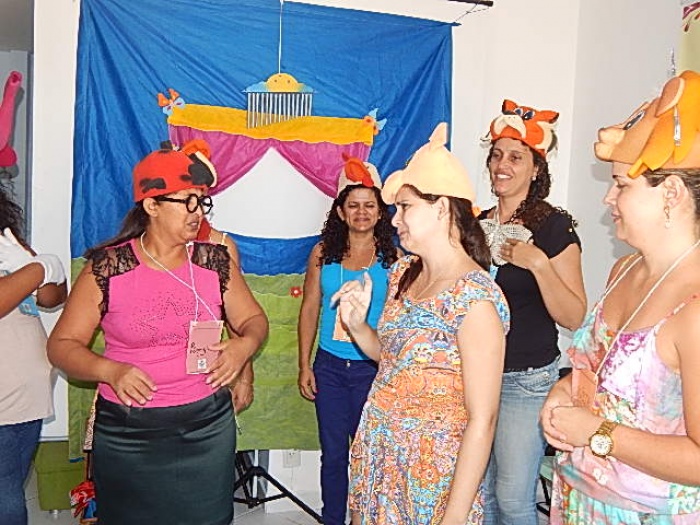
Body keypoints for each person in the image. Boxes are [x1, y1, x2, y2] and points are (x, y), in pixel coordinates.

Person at [47, 140, 268, 525]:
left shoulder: (214, 261)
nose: (198, 212)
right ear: (151, 205)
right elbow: (61, 346)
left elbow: (254, 320)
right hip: (130, 429)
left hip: (207, 424)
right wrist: (110, 370)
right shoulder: (108, 268)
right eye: (187, 201)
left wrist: (243, 346)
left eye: (202, 201)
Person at [541, 70, 700, 524]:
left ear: (671, 193)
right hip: (577, 501)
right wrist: (562, 393)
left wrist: (599, 433)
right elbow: (597, 373)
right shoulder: (623, 270)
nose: (608, 199)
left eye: (622, 185)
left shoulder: (694, 309)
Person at [335, 123, 510, 525]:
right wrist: (358, 325)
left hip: (433, 479)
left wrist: (454, 517)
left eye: (405, 207)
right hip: (380, 459)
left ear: (442, 208)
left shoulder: (475, 299)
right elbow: (393, 360)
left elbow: (483, 420)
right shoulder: (403, 273)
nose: (395, 219)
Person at [478, 100, 587, 525]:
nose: (502, 165)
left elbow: (575, 316)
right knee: (481, 495)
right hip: (477, 375)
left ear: (536, 169)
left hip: (525, 380)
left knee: (511, 499)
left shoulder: (553, 226)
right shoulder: (477, 223)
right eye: (497, 155)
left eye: (516, 157)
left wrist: (538, 263)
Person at [297, 154, 399, 525]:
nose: (361, 213)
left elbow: (400, 318)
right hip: (329, 367)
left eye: (369, 205)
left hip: (373, 369)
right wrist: (304, 364)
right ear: (340, 212)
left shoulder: (394, 258)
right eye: (353, 205)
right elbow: (310, 308)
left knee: (370, 454)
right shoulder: (322, 254)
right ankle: (333, 519)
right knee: (334, 455)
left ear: (380, 212)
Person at [0, 187, 67, 525]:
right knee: (6, 500)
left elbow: (54, 296)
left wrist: (32, 265)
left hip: (26, 399)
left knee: (10, 487)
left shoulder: (7, 243)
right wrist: (39, 269)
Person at [198, 216, 255, 413]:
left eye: (199, 203)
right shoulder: (135, 249)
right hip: (152, 372)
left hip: (203, 361)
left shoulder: (221, 246)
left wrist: (245, 377)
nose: (193, 210)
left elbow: (236, 317)